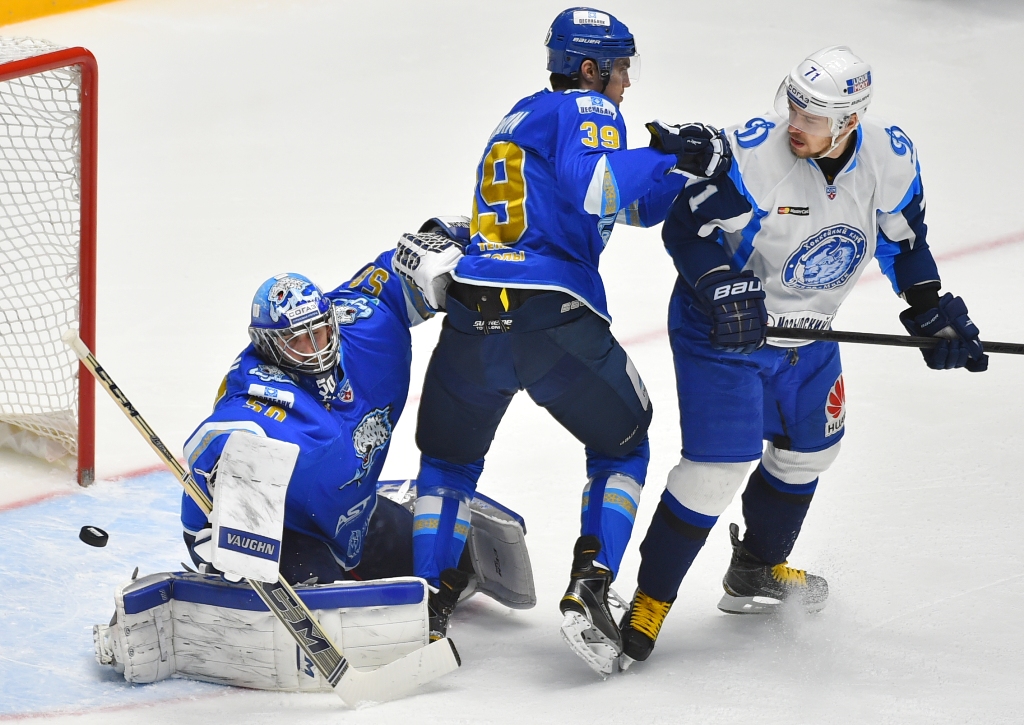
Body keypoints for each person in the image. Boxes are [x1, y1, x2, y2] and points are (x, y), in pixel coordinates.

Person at [618, 46, 988, 668]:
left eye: (812, 117)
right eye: (793, 106)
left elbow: (906, 243)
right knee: (716, 469)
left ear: (850, 120)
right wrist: (719, 285)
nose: (795, 123)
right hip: (724, 331)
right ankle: (650, 598)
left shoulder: (890, 157)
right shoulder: (756, 156)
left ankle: (757, 568)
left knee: (811, 452)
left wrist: (929, 308)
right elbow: (688, 230)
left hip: (810, 334)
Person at [408, 7, 730, 676]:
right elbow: (599, 187)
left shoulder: (521, 116)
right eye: (621, 69)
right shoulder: (589, 106)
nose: (626, 84)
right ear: (589, 68)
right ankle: (592, 581)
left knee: (447, 462)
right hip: (549, 315)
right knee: (623, 445)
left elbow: (632, 204)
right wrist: (671, 151)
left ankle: (421, 603)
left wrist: (685, 171)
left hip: (472, 315)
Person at [179, 220, 529, 643]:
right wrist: (206, 519)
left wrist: (468, 235)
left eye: (320, 331)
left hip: (354, 517)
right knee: (328, 609)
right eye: (298, 341)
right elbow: (212, 438)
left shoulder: (365, 328)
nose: (316, 348)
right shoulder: (258, 389)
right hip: (290, 534)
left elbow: (396, 274)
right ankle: (233, 581)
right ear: (268, 346)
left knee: (451, 569)